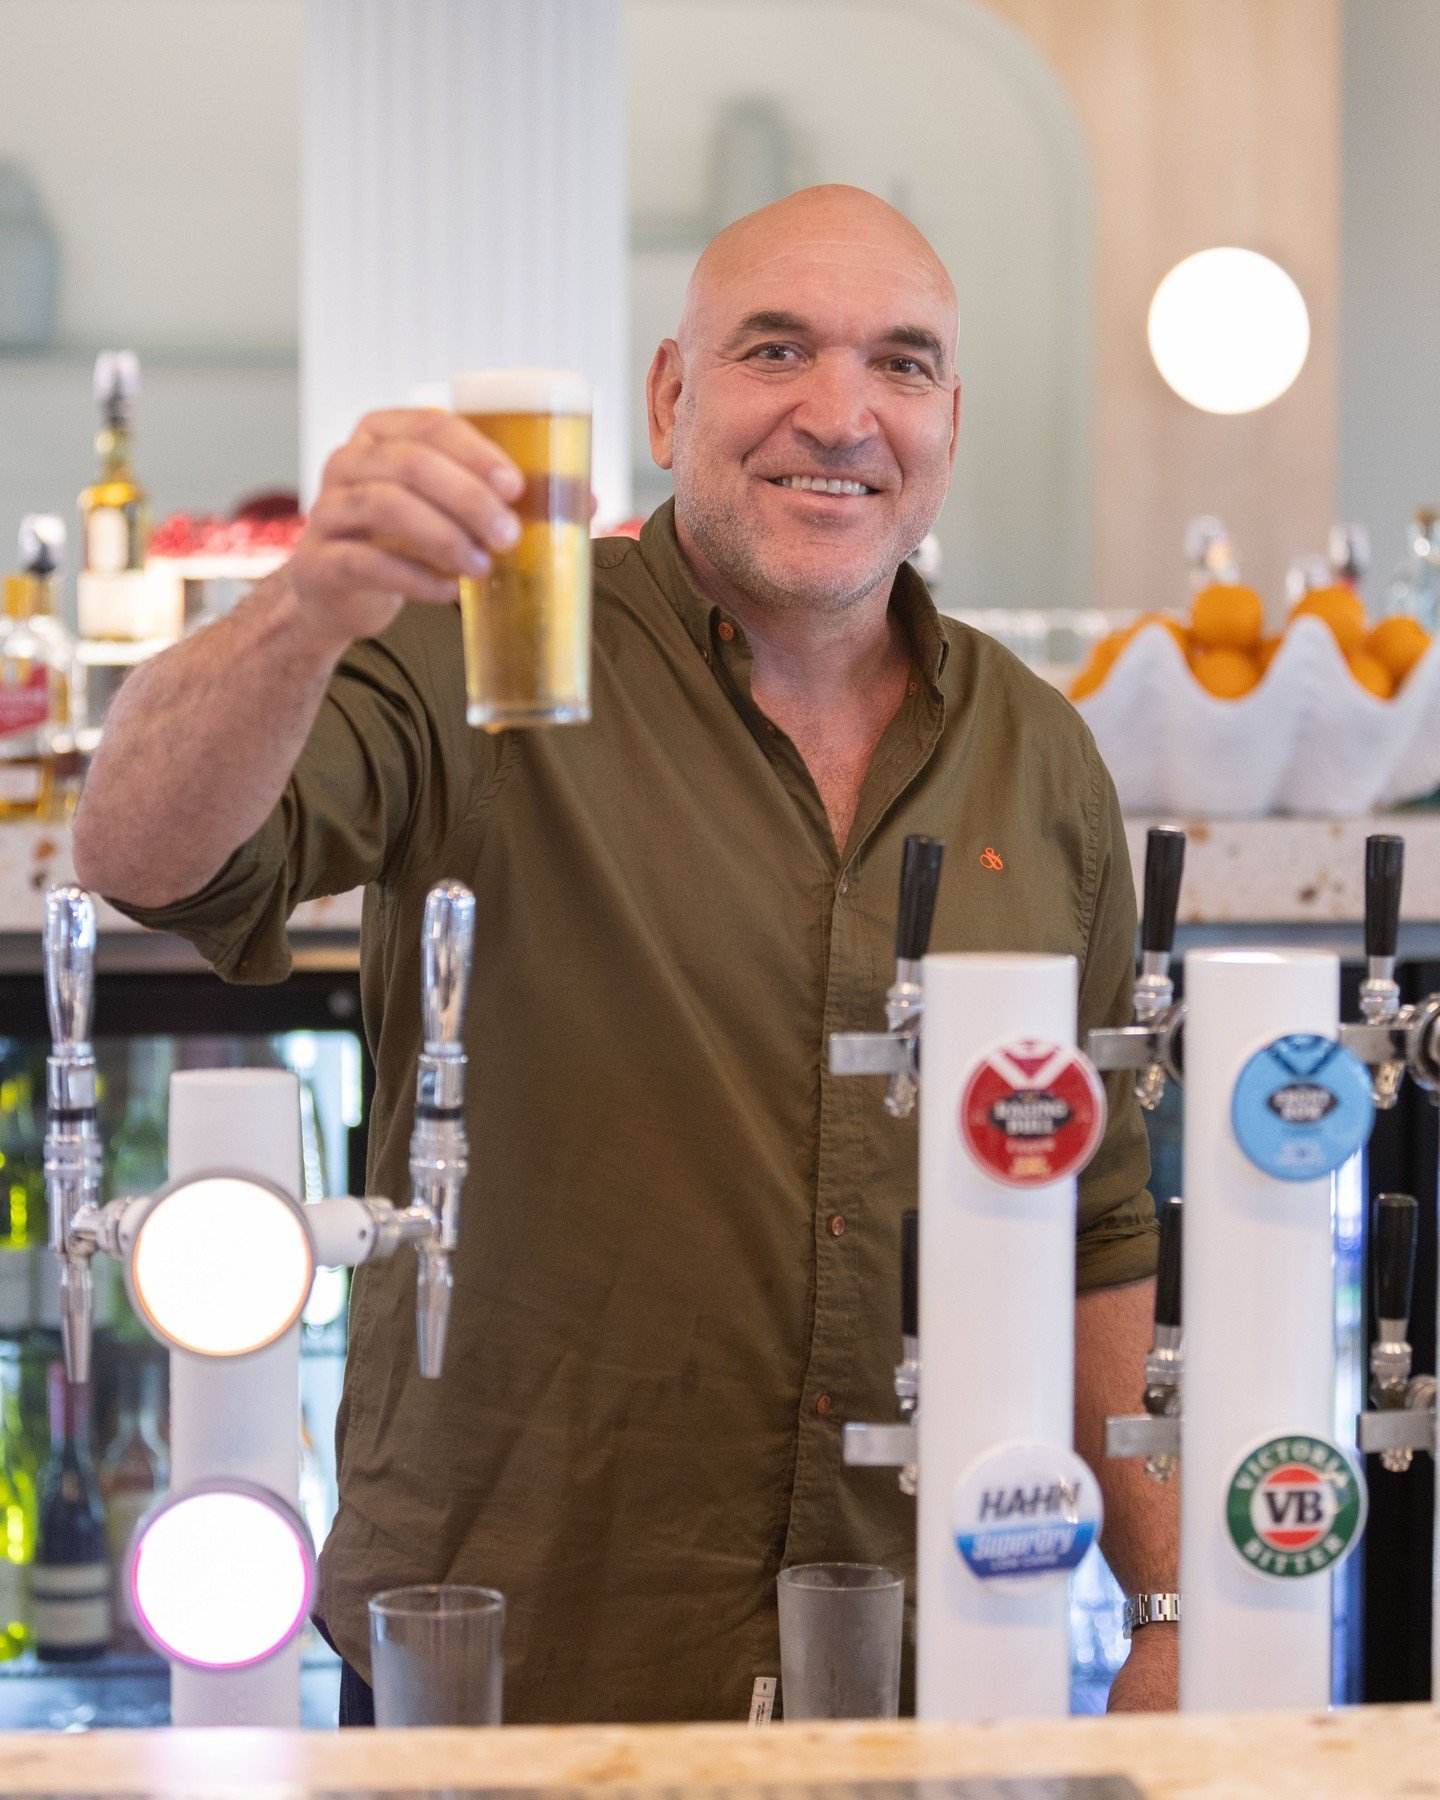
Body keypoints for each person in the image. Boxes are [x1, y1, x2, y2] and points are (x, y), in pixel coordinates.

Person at [73, 185, 1177, 1721]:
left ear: (950, 422)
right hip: (506, 1657)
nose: (842, 414)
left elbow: (1099, 1214)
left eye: (903, 365)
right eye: (776, 349)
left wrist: (1169, 1597)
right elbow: (141, 853)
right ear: (670, 398)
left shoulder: (1040, 757)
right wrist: (313, 594)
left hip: (935, 1667)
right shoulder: (481, 644)